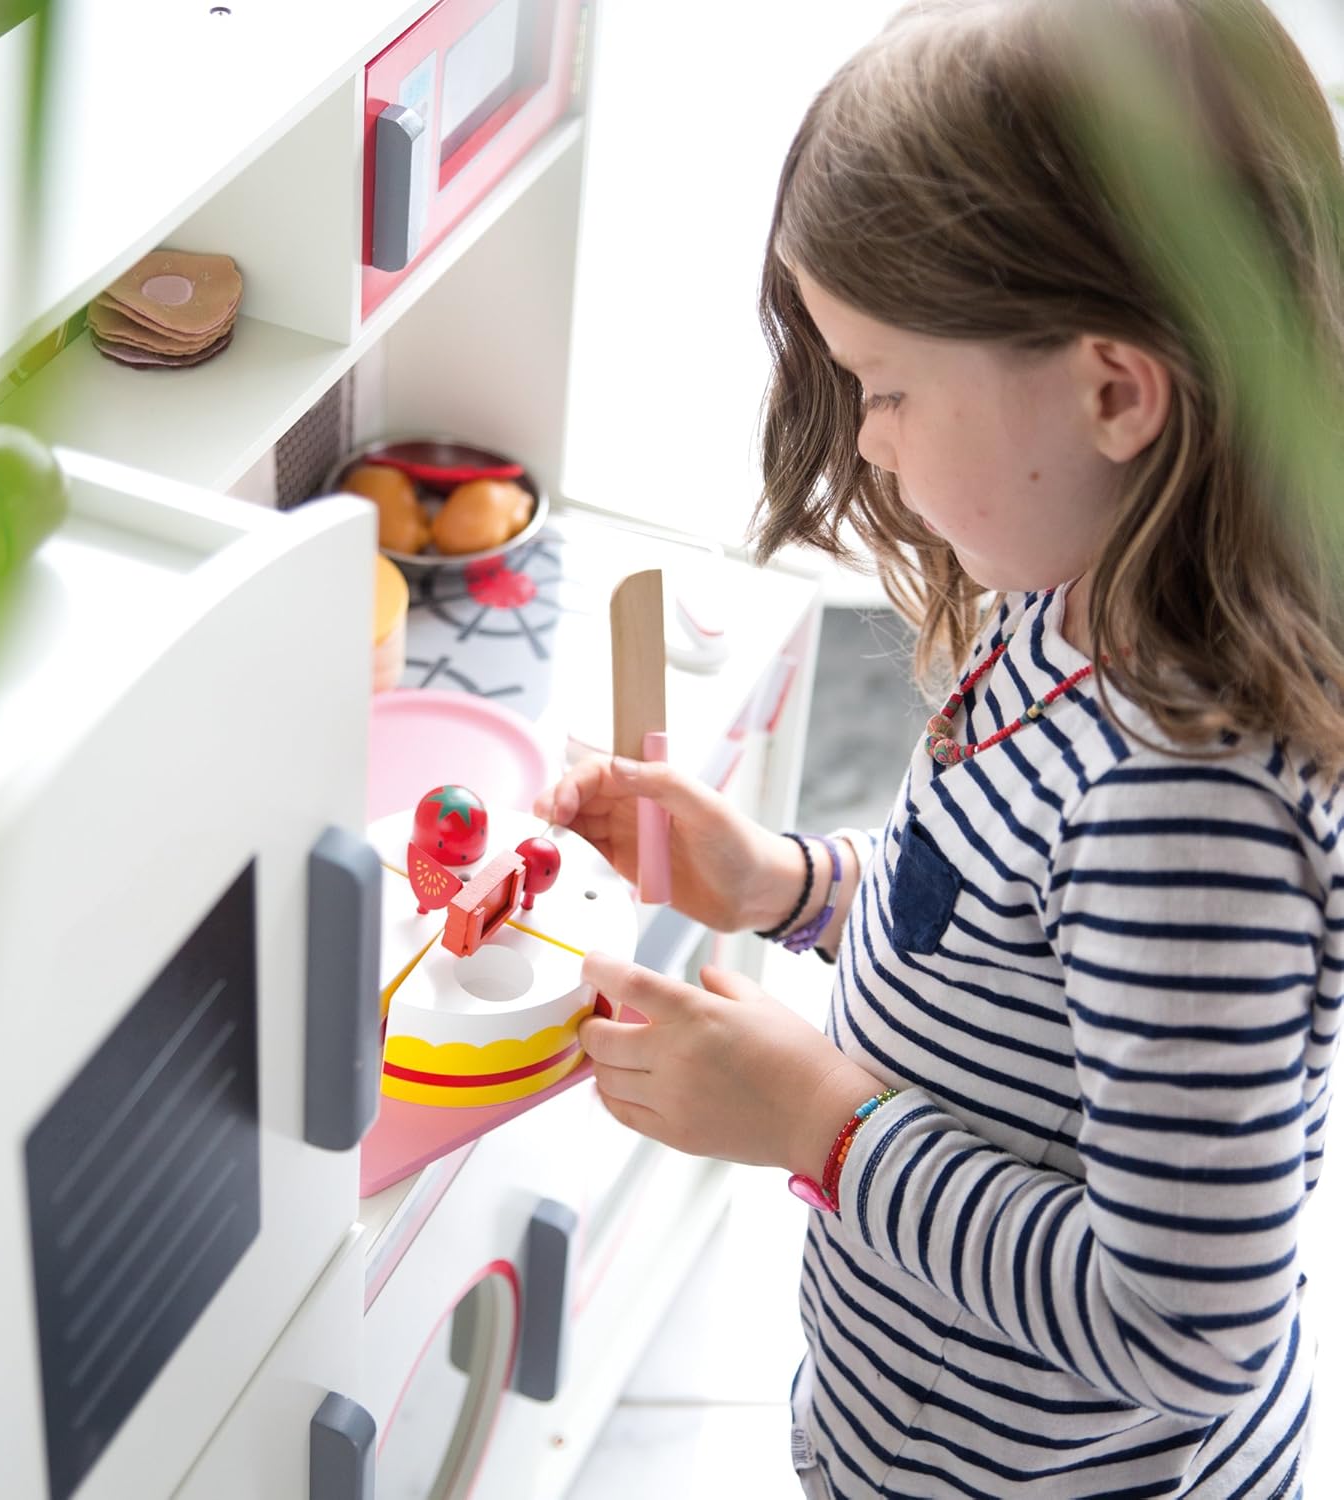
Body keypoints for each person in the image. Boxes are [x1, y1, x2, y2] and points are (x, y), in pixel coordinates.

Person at [535, 1, 1342, 1495]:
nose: (867, 437)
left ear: (1112, 391)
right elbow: (988, 922)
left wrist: (819, 1124)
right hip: (922, 1427)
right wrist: (784, 884)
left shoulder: (1187, 814)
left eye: (890, 386)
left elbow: (1187, 1333)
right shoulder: (1074, 596)